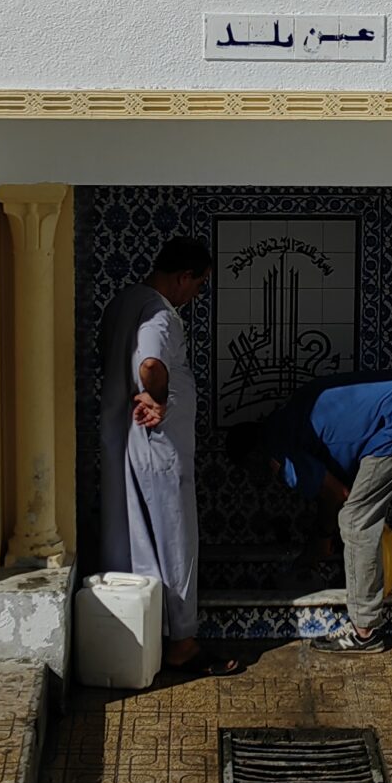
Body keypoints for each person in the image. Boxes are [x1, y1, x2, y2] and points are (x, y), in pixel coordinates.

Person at [95, 237, 241, 678]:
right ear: (184, 276)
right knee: (175, 540)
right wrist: (156, 399)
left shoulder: (122, 302)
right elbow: (150, 364)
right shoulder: (160, 312)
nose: (195, 295)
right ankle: (181, 643)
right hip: (157, 446)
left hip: (123, 443)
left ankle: (138, 637)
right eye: (198, 286)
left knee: (133, 536)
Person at [239, 370, 392, 655]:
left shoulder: (280, 454)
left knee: (356, 519)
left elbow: (337, 495)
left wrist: (321, 538)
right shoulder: (283, 424)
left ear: (257, 457)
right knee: (355, 513)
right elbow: (332, 488)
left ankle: (364, 632)